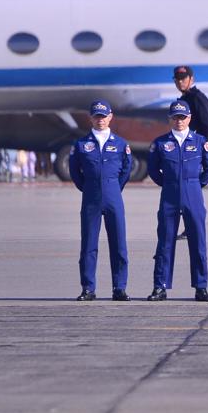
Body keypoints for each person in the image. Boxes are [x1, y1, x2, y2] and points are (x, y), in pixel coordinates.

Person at [146, 100, 208, 302]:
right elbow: (152, 169)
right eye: (175, 117)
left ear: (189, 118)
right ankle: (160, 286)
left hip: (193, 192)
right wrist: (168, 183)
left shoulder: (200, 141)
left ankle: (201, 286)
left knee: (198, 241)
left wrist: (196, 184)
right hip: (169, 194)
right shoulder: (160, 143)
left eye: (183, 117)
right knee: (165, 241)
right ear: (170, 119)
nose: (179, 121)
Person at [68, 100, 134, 301]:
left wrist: (113, 187)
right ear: (91, 118)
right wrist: (89, 187)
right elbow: (74, 172)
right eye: (96, 116)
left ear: (110, 116)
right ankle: (88, 288)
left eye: (103, 116)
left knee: (119, 244)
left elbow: (126, 170)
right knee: (89, 244)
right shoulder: (81, 145)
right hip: (91, 197)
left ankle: (119, 287)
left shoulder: (121, 144)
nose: (100, 120)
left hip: (114, 196)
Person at [173, 65, 208, 141]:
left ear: (191, 79)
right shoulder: (183, 99)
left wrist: (202, 143)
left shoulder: (197, 97)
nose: (180, 81)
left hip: (196, 143)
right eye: (177, 79)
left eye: (183, 78)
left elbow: (207, 123)